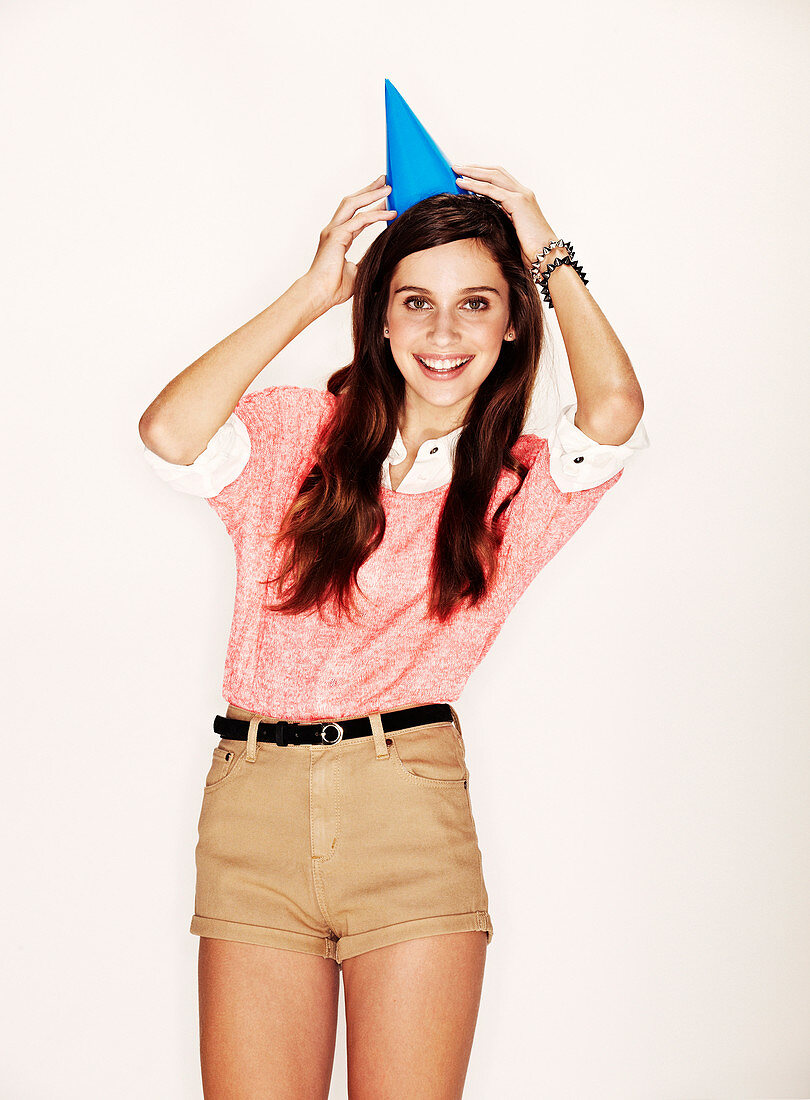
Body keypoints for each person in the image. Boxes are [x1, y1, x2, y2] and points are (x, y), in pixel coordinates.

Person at [140, 170, 649, 1098]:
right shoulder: (299, 435)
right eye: (415, 302)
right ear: (378, 317)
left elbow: (614, 408)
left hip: (406, 813)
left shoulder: (518, 487)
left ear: (510, 323)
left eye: (476, 304)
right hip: (254, 809)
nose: (443, 333)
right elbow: (171, 432)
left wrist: (543, 244)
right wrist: (311, 291)